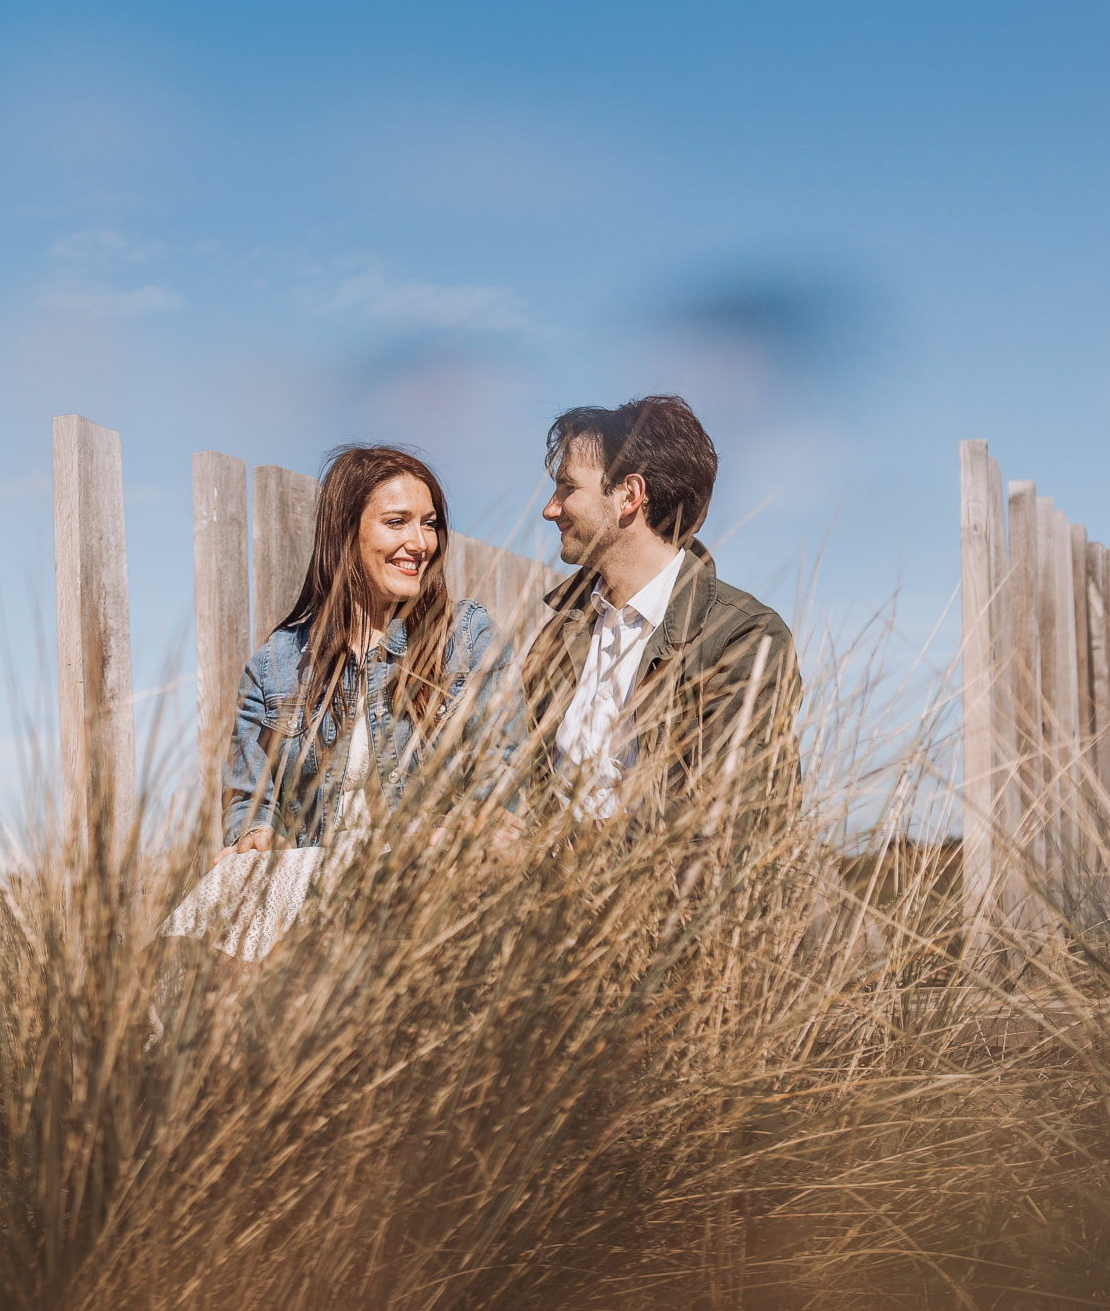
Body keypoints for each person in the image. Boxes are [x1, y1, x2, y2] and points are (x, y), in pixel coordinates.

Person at [166, 445, 507, 959]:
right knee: (187, 946)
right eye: (398, 522)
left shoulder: (468, 638)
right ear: (346, 533)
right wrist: (257, 836)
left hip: (432, 894)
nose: (420, 543)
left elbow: (503, 782)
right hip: (315, 897)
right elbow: (250, 799)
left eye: (429, 523)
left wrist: (453, 832)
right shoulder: (276, 664)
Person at [519, 396, 799, 833]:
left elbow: (720, 826)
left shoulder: (744, 637)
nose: (550, 509)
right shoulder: (558, 634)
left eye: (568, 488)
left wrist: (548, 853)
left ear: (628, 495)